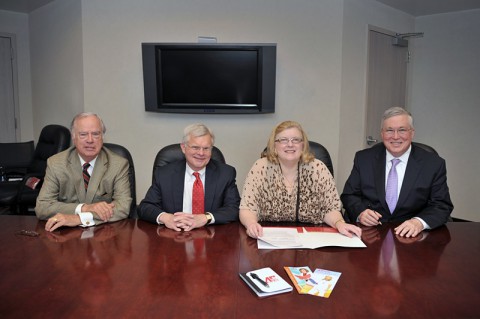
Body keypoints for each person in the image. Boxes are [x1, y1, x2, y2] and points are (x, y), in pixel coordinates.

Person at [341, 106, 453, 237]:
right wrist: (361, 213)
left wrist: (419, 222)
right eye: (389, 130)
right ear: (382, 134)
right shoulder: (364, 159)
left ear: (412, 133)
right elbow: (349, 195)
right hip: (371, 234)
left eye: (402, 130)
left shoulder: (433, 164)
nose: (395, 137)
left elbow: (441, 205)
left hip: (412, 236)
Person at [239, 120, 361, 239]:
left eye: (296, 140)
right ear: (274, 146)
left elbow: (330, 209)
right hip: (268, 236)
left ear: (303, 145)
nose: (290, 144)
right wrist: (251, 224)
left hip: (312, 238)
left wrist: (340, 224)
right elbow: (247, 208)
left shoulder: (318, 168)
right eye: (283, 140)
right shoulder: (261, 167)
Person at [35, 112, 132, 231]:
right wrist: (84, 208)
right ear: (73, 137)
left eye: (96, 134)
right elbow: (42, 207)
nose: (90, 140)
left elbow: (123, 207)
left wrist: (80, 218)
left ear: (102, 136)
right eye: (83, 134)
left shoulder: (118, 164)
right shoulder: (56, 163)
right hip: (65, 236)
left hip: (103, 235)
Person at [137, 123, 240, 231]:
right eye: (195, 147)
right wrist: (167, 218)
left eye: (206, 148)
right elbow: (145, 207)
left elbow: (234, 208)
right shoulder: (164, 174)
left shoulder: (225, 173)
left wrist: (205, 218)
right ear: (183, 148)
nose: (201, 153)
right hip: (173, 236)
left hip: (211, 235)